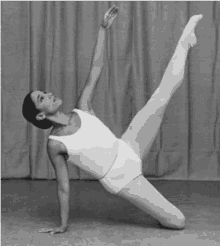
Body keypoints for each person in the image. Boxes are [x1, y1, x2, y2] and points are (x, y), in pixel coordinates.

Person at [22, 6, 203, 234]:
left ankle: (186, 40)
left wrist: (103, 30)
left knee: (161, 95)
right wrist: (63, 224)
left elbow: (96, 68)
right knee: (178, 221)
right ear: (40, 114)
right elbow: (63, 186)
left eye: (45, 92)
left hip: (129, 145)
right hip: (121, 178)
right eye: (42, 97)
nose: (48, 94)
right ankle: (161, 212)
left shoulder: (82, 108)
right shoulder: (56, 144)